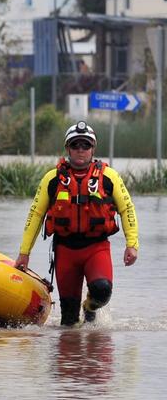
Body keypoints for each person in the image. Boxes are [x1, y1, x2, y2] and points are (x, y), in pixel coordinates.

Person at [15, 121, 138, 325]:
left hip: (96, 248)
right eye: (75, 145)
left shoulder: (109, 177)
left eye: (85, 145)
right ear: (68, 149)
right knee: (69, 322)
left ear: (93, 149)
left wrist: (132, 245)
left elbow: (127, 209)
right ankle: (72, 355)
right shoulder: (52, 179)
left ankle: (89, 307)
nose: (80, 150)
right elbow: (35, 215)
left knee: (102, 290)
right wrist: (24, 253)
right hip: (65, 251)